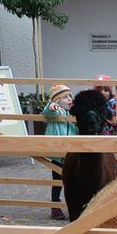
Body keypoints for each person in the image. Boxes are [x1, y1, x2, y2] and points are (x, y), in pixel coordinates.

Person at [42, 84, 77, 220]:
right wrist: (51, 107)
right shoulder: (57, 111)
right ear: (57, 101)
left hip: (72, 153)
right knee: (57, 182)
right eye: (64, 97)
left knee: (72, 182)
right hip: (58, 154)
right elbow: (47, 112)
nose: (69, 99)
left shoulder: (73, 113)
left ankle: (74, 205)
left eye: (70, 96)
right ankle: (55, 206)